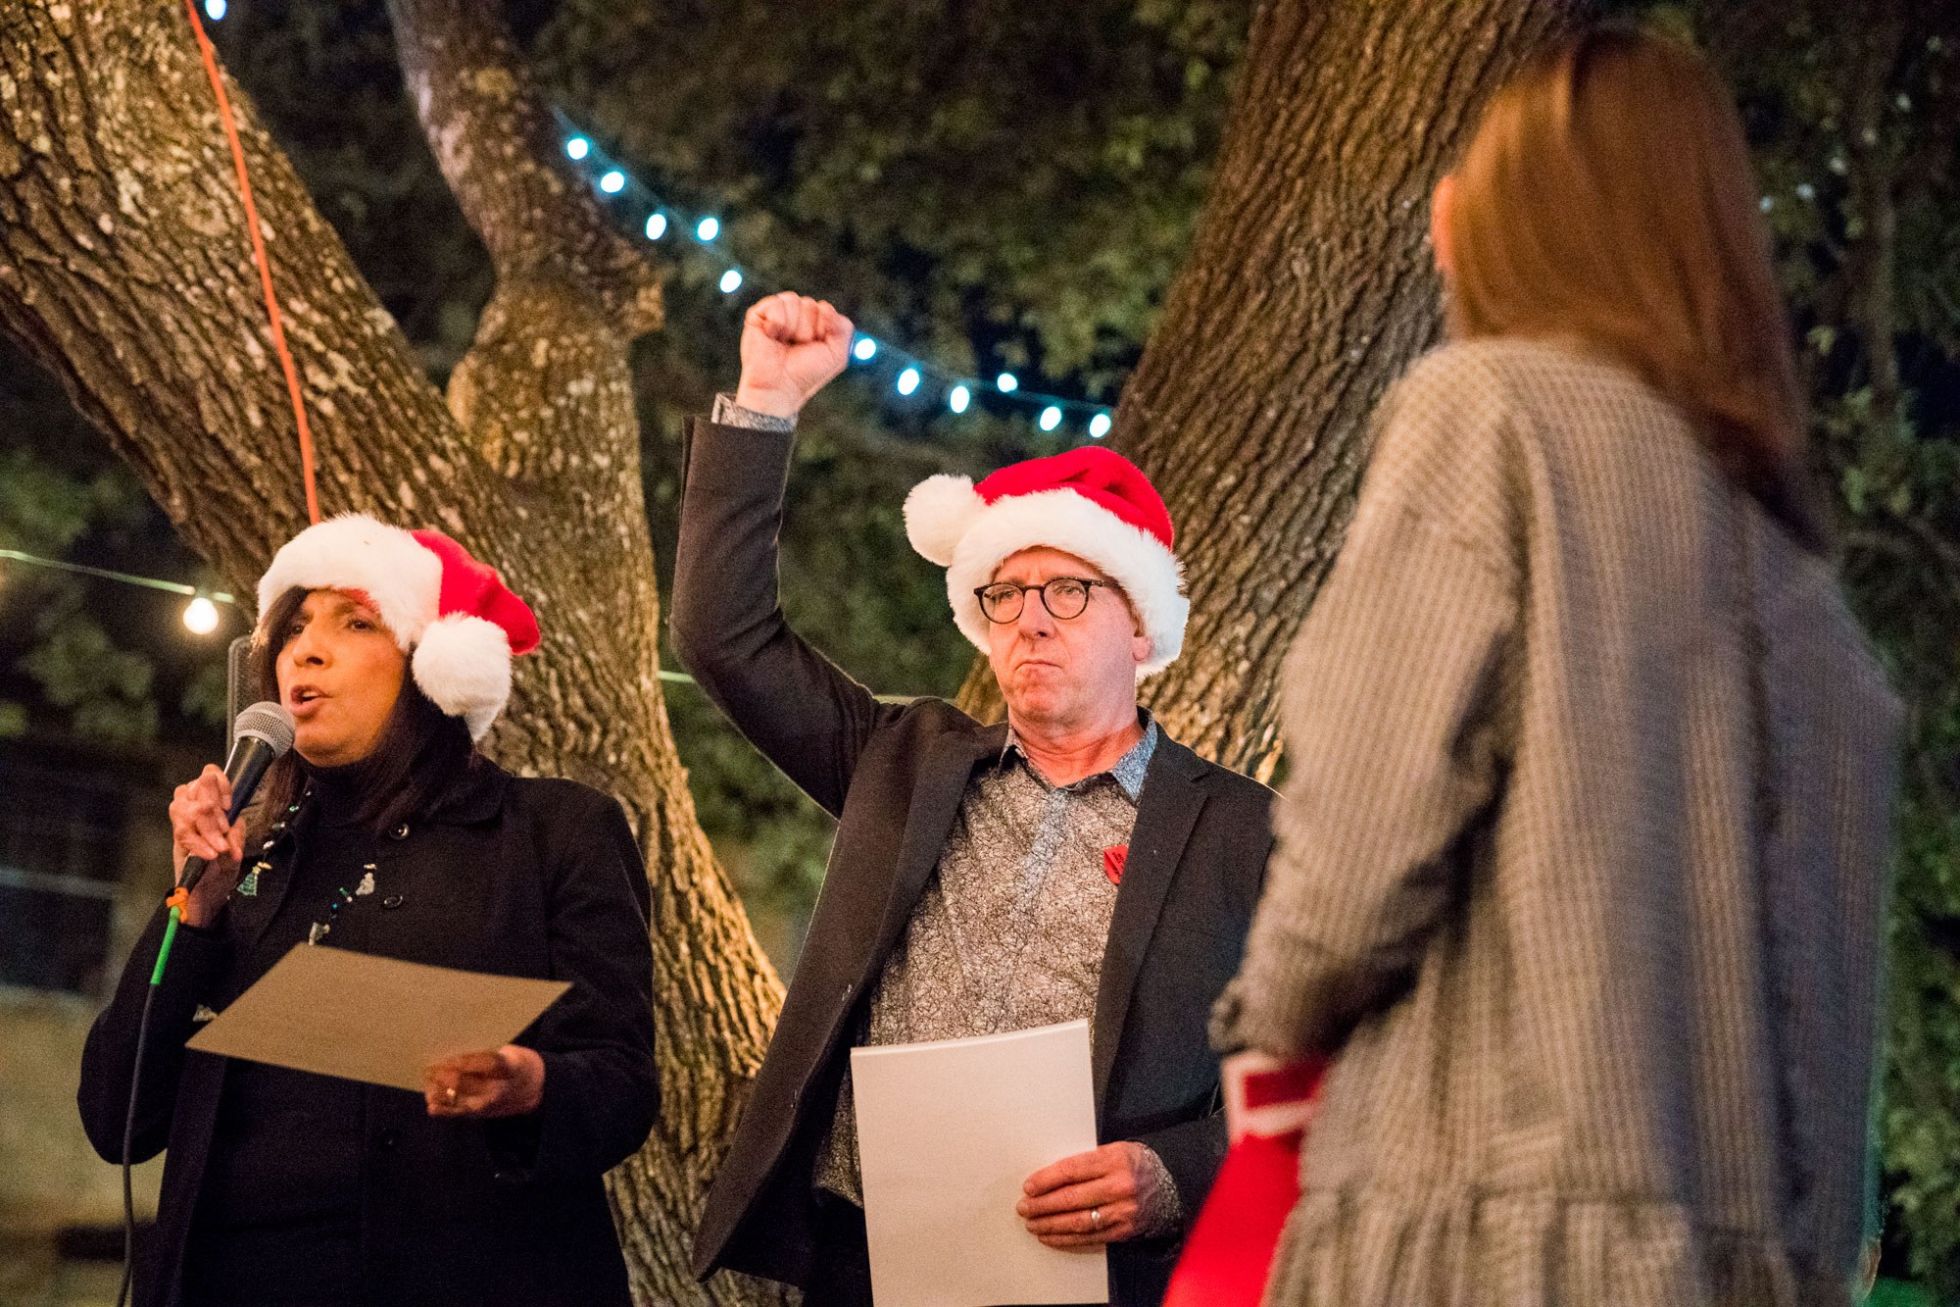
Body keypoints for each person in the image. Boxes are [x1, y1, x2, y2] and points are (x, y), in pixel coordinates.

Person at [1210, 26, 1902, 1306]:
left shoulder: (1490, 417)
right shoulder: (1803, 584)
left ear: (1508, 219)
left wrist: (1266, 1026)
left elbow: (1356, 852)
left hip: (1483, 1232)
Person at [677, 292, 1275, 1305]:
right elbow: (722, 636)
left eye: (1069, 589)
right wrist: (767, 403)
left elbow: (1320, 1070)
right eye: (1005, 592)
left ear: (1141, 631)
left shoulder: (1243, 829)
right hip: (864, 1257)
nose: (1030, 617)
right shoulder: (901, 759)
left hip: (1089, 1273)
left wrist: (1174, 1173)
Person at [78, 516, 659, 1307]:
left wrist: (534, 1085)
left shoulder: (554, 832)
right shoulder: (247, 861)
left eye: (355, 623)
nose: (303, 651)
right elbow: (118, 1117)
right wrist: (197, 908)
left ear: (433, 667)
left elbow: (624, 1086)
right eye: (293, 630)